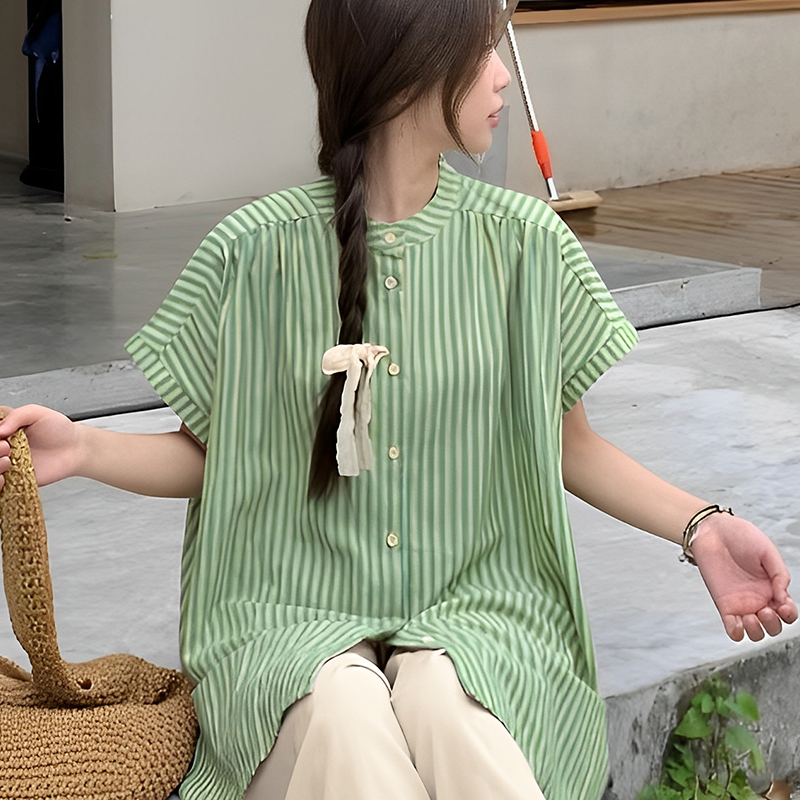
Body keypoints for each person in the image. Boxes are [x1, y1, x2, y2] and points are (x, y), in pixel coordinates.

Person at [0, 1, 796, 798]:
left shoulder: (527, 246)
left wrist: (703, 528)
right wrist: (86, 447)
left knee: (448, 702)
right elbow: (217, 454)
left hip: (478, 607)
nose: (503, 77)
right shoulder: (250, 253)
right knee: (343, 710)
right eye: (484, 50)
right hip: (288, 613)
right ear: (407, 65)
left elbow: (567, 445)